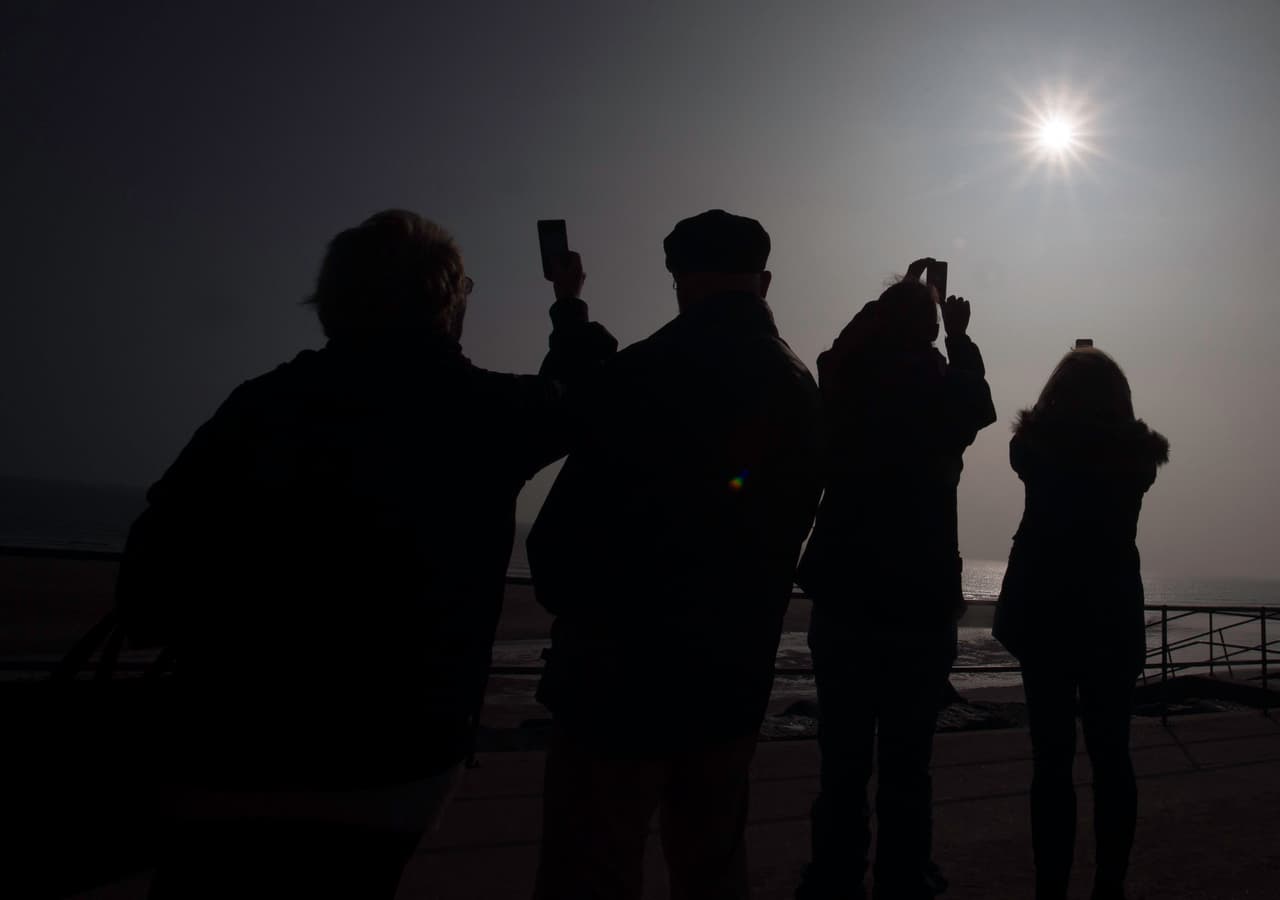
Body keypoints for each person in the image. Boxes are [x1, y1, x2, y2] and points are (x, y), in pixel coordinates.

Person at [114, 209, 615, 898]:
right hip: (395, 763)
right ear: (449, 301)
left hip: (225, 750)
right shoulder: (485, 414)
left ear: (332, 301)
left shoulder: (259, 407)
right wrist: (567, 299)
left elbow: (146, 591)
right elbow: (588, 392)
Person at [527, 209, 825, 900]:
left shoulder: (640, 374)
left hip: (616, 687)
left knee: (590, 871)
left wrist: (569, 309)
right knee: (712, 868)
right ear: (765, 281)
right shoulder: (801, 389)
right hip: (731, 682)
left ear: (678, 279)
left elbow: (558, 539)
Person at [795, 259, 997, 900]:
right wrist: (958, 332)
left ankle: (833, 874)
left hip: (847, 594)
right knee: (909, 758)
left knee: (843, 757)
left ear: (880, 324)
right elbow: (979, 397)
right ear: (933, 331)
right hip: (920, 597)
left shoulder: (849, 384)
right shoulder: (945, 394)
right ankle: (904, 874)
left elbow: (832, 356)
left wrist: (885, 307)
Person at [993, 347, 1169, 900]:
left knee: (1052, 762)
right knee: (1112, 758)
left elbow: (1021, 446)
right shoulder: (1134, 462)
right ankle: (1108, 887)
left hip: (1045, 615)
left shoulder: (1038, 452)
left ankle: (1051, 889)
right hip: (1111, 617)